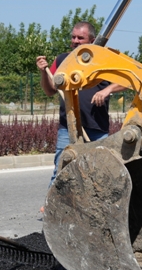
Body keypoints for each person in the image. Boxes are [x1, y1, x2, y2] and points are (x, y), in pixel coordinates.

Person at [36, 21, 125, 186]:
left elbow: (126, 81)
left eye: (80, 38)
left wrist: (107, 90)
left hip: (97, 129)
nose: (75, 41)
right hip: (68, 128)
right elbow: (50, 90)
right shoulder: (63, 60)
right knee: (62, 170)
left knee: (97, 173)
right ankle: (51, 207)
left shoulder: (103, 60)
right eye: (73, 37)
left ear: (91, 41)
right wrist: (43, 72)